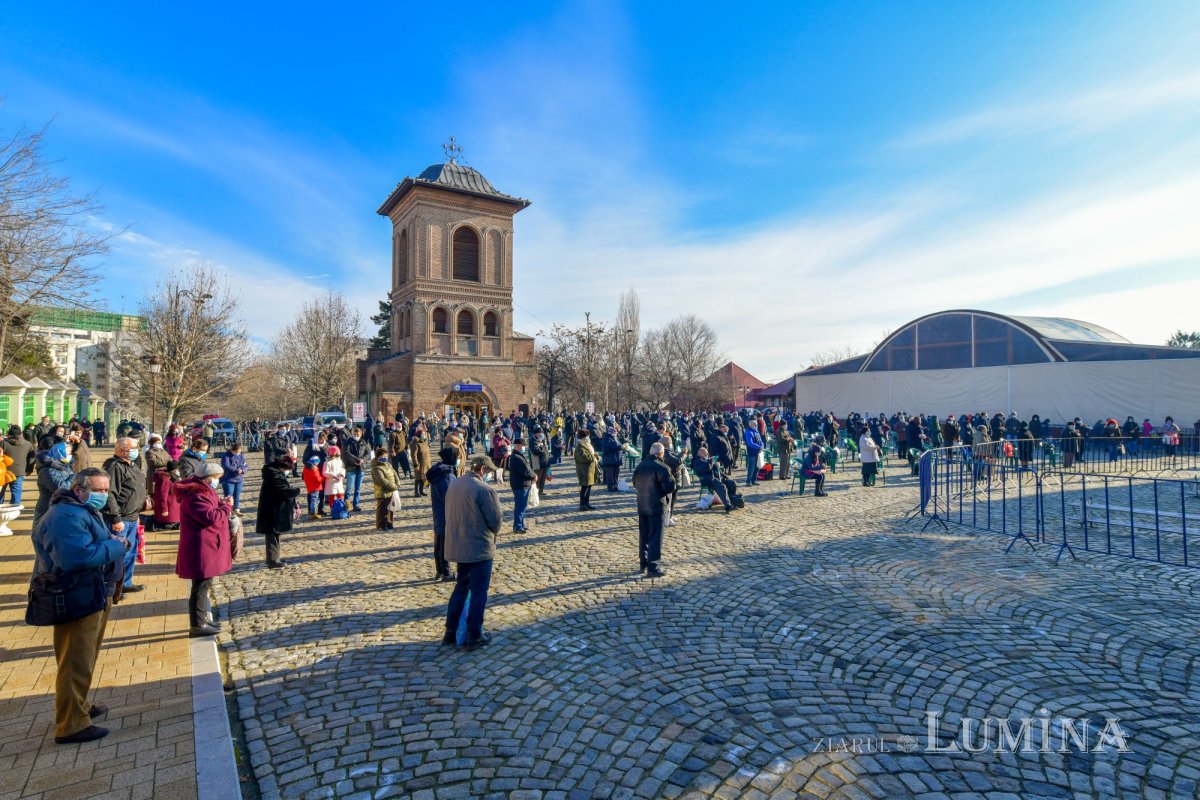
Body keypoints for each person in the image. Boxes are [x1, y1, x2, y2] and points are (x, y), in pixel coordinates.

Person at [32, 468, 129, 744]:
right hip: (74, 595)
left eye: (105, 490)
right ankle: (71, 724)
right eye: (98, 490)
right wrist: (117, 547)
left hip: (91, 591)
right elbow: (76, 557)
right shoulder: (64, 516)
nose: (103, 495)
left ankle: (80, 705)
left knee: (85, 658)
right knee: (74, 660)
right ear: (78, 489)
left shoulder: (82, 511)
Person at [442, 454, 503, 651]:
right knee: (478, 592)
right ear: (482, 470)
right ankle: (474, 634)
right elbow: (495, 522)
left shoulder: (455, 484)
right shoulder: (485, 490)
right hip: (478, 547)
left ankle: (450, 632)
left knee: (461, 587)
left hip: (459, 543)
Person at [173, 462, 233, 637]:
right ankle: (197, 625)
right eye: (215, 478)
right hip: (201, 546)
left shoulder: (202, 490)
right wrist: (226, 506)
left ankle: (202, 619)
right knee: (200, 586)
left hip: (206, 543)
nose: (216, 482)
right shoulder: (196, 494)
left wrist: (220, 503)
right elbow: (211, 517)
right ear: (207, 478)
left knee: (204, 585)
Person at [102, 438, 148, 593]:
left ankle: (126, 583)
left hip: (132, 516)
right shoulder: (114, 467)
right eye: (134, 448)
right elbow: (110, 494)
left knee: (131, 552)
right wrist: (115, 518)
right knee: (117, 556)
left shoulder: (132, 464)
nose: (137, 450)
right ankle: (113, 589)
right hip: (120, 519)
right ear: (122, 449)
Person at [632, 442, 675, 578]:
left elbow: (634, 483)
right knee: (656, 536)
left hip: (642, 504)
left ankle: (643, 562)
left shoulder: (640, 465)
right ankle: (653, 567)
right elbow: (669, 486)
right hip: (656, 505)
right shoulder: (661, 467)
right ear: (660, 453)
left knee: (644, 535)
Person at [257, 454, 300, 568]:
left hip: (273, 508)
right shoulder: (275, 475)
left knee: (274, 534)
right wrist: (296, 491)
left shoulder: (273, 472)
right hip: (273, 510)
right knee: (272, 534)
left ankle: (275, 557)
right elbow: (284, 491)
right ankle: (273, 560)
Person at [427, 446, 457, 582]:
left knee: (439, 541)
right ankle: (446, 572)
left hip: (438, 512)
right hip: (446, 513)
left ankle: (439, 570)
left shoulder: (438, 471)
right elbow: (450, 497)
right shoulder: (447, 475)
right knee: (444, 543)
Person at [35, 442, 75, 525]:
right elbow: (61, 489)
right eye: (68, 453)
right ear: (59, 453)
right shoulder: (47, 470)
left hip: (61, 508)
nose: (70, 455)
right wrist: (75, 477)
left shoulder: (64, 467)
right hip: (48, 510)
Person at [507, 438, 535, 533]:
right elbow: (525, 471)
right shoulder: (517, 457)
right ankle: (517, 526)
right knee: (520, 507)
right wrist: (534, 476)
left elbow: (527, 468)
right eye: (523, 446)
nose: (524, 448)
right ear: (518, 446)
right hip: (520, 485)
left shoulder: (519, 456)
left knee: (522, 506)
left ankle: (521, 524)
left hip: (522, 484)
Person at [1, 425, 32, 507]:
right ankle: (14, 510)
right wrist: (29, 469)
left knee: (0, 492)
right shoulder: (28, 444)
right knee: (16, 492)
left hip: (3, 472)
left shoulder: (3, 443)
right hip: (19, 471)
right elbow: (31, 458)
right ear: (21, 434)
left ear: (9, 434)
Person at [371, 447, 399, 530]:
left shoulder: (388, 464)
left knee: (391, 508)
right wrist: (393, 486)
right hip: (382, 491)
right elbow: (382, 480)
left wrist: (398, 483)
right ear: (378, 456)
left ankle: (389, 523)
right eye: (383, 456)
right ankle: (381, 525)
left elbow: (394, 473)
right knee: (382, 510)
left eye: (386, 456)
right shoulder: (376, 468)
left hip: (391, 490)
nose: (385, 458)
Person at [342, 427, 366, 512]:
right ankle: (346, 504)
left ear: (361, 434)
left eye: (358, 434)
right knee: (349, 488)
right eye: (355, 434)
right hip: (351, 467)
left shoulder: (363, 442)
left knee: (358, 488)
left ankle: (356, 504)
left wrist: (363, 460)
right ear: (352, 434)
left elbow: (368, 453)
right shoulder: (348, 442)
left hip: (361, 468)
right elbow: (346, 453)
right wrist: (356, 460)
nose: (356, 435)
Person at [152, 460, 181, 530]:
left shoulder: (173, 477)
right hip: (169, 509)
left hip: (174, 507)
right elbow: (163, 496)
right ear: (174, 470)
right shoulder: (166, 479)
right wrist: (164, 509)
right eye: (177, 469)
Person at [574, 429, 598, 511]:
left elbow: (590, 454)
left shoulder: (587, 444)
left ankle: (587, 503)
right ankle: (582, 504)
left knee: (589, 487)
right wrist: (593, 457)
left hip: (589, 470)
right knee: (584, 488)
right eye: (587, 436)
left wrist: (595, 455)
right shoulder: (579, 446)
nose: (588, 438)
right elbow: (583, 458)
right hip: (584, 471)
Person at [220, 441, 247, 513]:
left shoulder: (241, 456)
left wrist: (243, 470)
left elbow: (245, 465)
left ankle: (236, 508)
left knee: (237, 495)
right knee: (229, 496)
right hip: (228, 479)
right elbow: (226, 466)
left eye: (239, 451)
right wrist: (236, 470)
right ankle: (228, 510)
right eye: (236, 451)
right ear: (232, 450)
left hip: (239, 479)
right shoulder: (226, 455)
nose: (238, 453)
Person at [322, 445, 347, 513]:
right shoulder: (327, 462)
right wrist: (332, 475)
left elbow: (342, 469)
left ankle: (341, 508)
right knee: (332, 496)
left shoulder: (339, 461)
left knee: (340, 495)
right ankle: (332, 509)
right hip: (331, 482)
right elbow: (324, 472)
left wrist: (341, 475)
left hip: (339, 481)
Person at [600, 427, 623, 491]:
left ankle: (616, 485)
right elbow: (608, 447)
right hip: (610, 459)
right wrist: (619, 447)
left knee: (616, 473)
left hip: (616, 459)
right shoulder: (606, 438)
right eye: (614, 432)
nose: (615, 433)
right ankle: (610, 487)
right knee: (610, 473)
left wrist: (622, 447)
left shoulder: (615, 438)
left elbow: (619, 445)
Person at [411, 428, 432, 496]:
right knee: (418, 478)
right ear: (419, 435)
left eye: (425, 434)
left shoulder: (425, 442)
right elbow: (413, 455)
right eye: (423, 434)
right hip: (420, 464)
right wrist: (416, 464)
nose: (424, 435)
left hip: (426, 464)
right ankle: (416, 492)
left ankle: (421, 491)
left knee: (423, 478)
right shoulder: (416, 444)